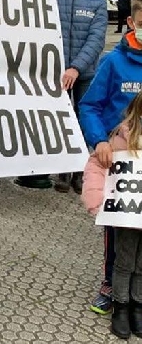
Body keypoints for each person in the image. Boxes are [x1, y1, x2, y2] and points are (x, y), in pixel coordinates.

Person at [17, 0, 107, 191]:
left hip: (84, 74)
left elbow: (96, 40)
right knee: (57, 122)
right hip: (54, 74)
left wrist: (75, 67)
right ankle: (60, 170)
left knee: (82, 121)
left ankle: (79, 171)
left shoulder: (97, 2)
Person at [79, 0, 142, 316]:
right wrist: (99, 140)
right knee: (118, 230)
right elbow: (89, 105)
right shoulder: (113, 62)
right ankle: (110, 286)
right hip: (120, 164)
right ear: (131, 21)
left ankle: (137, 291)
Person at [82, 92, 142, 339]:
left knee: (141, 265)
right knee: (124, 262)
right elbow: (97, 166)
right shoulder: (121, 139)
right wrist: (98, 202)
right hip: (127, 217)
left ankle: (137, 305)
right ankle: (121, 306)